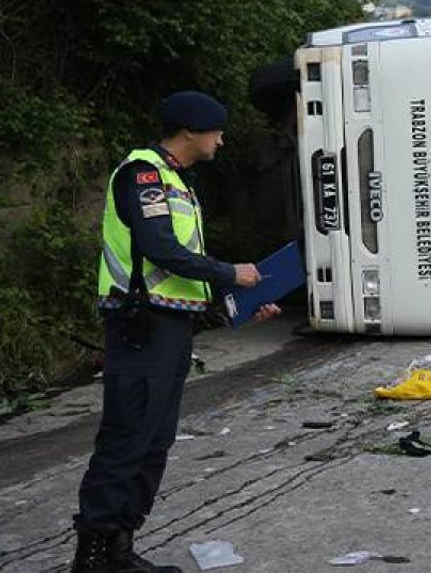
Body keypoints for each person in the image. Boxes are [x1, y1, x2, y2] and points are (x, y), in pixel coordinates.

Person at [73, 90, 279, 573]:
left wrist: (237, 307)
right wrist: (232, 273)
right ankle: (93, 556)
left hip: (169, 327)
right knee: (127, 439)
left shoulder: (178, 183)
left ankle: (121, 548)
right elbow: (160, 248)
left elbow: (176, 276)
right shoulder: (142, 175)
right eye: (217, 131)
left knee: (154, 442)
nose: (222, 141)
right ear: (190, 130)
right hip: (139, 328)